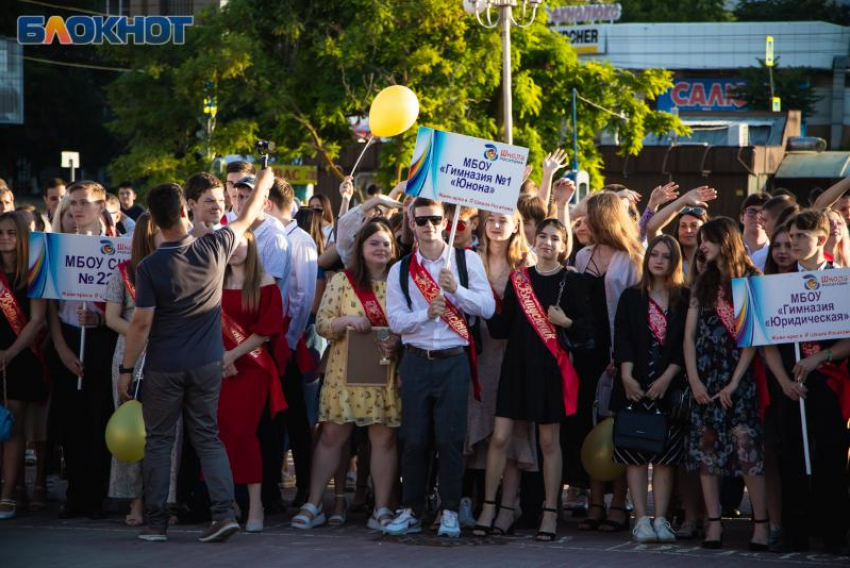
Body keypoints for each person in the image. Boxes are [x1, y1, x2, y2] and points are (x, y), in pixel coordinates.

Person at [117, 167, 273, 543]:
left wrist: (125, 369)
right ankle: (224, 513)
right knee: (208, 437)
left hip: (164, 366)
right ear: (185, 214)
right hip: (207, 363)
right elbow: (249, 214)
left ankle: (156, 523)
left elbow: (140, 324)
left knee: (158, 441)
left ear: (152, 220)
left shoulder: (151, 266)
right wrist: (265, 178)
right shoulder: (214, 245)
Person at [384, 198, 496, 537]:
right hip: (416, 360)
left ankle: (450, 509)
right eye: (421, 221)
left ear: (446, 221)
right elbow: (395, 320)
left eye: (434, 219)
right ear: (412, 224)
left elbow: (488, 308)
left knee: (450, 440)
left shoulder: (466, 260)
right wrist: (425, 314)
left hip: (453, 361)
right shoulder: (400, 270)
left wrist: (456, 290)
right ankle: (411, 509)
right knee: (414, 439)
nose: (428, 225)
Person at [480, 219, 593, 541]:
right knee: (499, 438)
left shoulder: (573, 283)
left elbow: (589, 334)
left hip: (549, 371)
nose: (546, 242)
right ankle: (492, 507)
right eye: (542, 236)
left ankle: (550, 512)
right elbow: (501, 328)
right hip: (515, 367)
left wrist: (566, 321)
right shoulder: (519, 280)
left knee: (547, 442)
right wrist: (477, 299)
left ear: (564, 245)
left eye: (554, 238)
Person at [293, 220, 402, 530]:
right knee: (331, 436)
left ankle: (381, 509)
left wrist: (398, 339)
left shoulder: (401, 281)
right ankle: (314, 503)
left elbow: (410, 324)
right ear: (361, 249)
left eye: (385, 243)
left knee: (383, 439)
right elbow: (323, 324)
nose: (381, 249)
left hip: (384, 371)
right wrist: (348, 321)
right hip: (344, 371)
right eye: (374, 244)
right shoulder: (343, 281)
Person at [762, 210, 850, 554]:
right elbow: (767, 341)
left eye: (801, 236)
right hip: (789, 385)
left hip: (828, 382)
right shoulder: (778, 282)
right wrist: (783, 380)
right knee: (792, 457)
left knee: (830, 455)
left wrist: (820, 358)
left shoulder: (840, 281)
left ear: (822, 239)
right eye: (791, 236)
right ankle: (794, 528)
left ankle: (832, 529)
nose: (794, 243)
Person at [684, 217, 768, 551]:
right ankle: (713, 523)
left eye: (708, 239)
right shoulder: (703, 281)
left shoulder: (750, 279)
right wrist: (694, 380)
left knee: (748, 451)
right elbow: (689, 337)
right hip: (704, 377)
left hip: (739, 380)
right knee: (707, 451)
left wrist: (734, 382)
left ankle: (760, 524)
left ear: (725, 240)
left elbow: (751, 339)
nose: (702, 246)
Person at [571, 191, 643, 533]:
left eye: (589, 216)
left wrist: (621, 357)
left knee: (617, 428)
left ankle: (618, 504)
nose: (583, 222)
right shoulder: (583, 254)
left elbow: (635, 315)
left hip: (618, 353)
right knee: (590, 427)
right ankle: (595, 502)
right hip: (585, 353)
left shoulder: (631, 257)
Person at [48, 181, 118, 520]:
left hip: (101, 338)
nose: (76, 209)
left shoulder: (116, 247)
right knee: (71, 420)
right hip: (67, 338)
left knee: (98, 416)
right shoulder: (57, 246)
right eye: (72, 203)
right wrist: (61, 347)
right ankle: (76, 493)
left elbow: (125, 301)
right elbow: (48, 304)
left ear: (100, 206)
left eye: (83, 203)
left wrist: (101, 317)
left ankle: (98, 493)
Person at [611, 235, 689, 544]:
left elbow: (686, 343)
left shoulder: (685, 297)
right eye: (654, 254)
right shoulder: (632, 296)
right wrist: (627, 375)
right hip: (635, 386)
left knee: (666, 459)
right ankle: (640, 519)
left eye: (665, 256)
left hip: (668, 387)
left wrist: (668, 377)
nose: (658, 260)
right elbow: (623, 337)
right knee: (635, 455)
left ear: (675, 261)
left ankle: (660, 519)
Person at [465, 210, 537, 536]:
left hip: (512, 356)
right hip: (475, 355)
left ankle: (508, 506)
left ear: (516, 225)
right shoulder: (467, 258)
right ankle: (480, 503)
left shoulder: (526, 263)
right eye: (490, 219)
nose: (496, 225)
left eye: (503, 219)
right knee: (478, 432)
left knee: (511, 435)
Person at [220, 230, 286, 534]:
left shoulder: (265, 282)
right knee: (217, 434)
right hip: (217, 367)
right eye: (228, 245)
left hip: (252, 367)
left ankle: (255, 503)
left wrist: (232, 355)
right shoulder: (213, 282)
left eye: (240, 243)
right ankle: (225, 503)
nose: (234, 250)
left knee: (242, 432)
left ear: (251, 245)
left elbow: (267, 330)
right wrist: (222, 358)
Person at [104, 213, 165, 526]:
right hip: (130, 355)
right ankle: (136, 501)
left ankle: (163, 500)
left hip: (166, 356)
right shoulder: (124, 272)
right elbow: (111, 317)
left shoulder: (173, 270)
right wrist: (140, 333)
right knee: (131, 431)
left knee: (165, 433)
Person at [0, 213, 48, 520]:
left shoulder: (34, 268)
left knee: (12, 425)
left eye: (10, 233)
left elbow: (38, 319)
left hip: (20, 355)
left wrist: (11, 353)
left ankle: (8, 494)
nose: (4, 238)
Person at [740, 193, 771, 270]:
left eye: (763, 213)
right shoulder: (729, 249)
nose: (757, 216)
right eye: (751, 211)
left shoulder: (776, 252)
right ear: (741, 218)